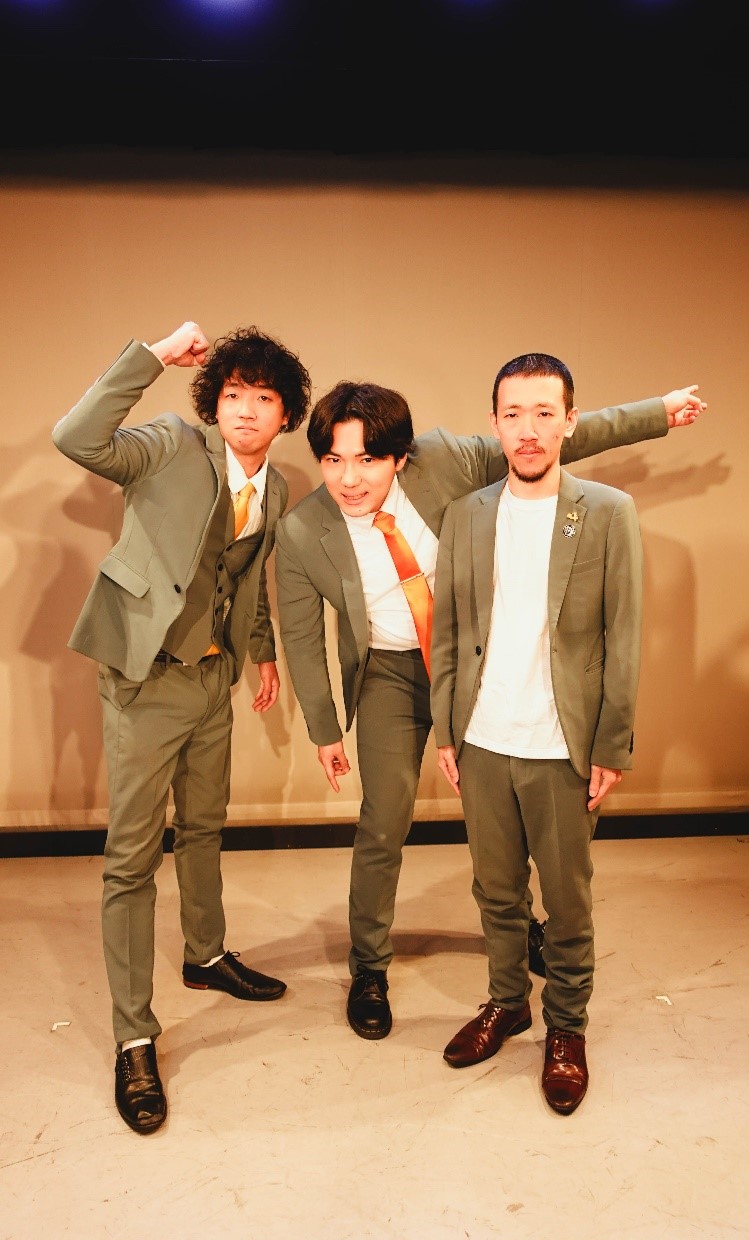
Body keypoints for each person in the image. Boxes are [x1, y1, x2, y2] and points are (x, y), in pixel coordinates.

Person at [275, 372, 704, 1043]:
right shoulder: (303, 530)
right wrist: (324, 728)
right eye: (333, 460)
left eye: (367, 459)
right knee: (382, 820)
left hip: (476, 661)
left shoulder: (444, 459)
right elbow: (302, 637)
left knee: (514, 818)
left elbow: (542, 435)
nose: (349, 480)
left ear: (399, 456)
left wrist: (657, 413)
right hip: (390, 673)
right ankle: (369, 967)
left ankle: (524, 933)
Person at [52, 320, 311, 1135]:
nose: (245, 409)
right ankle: (135, 1036)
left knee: (203, 825)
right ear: (212, 400)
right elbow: (76, 437)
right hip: (145, 679)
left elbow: (249, 576)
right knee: (131, 859)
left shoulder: (275, 487)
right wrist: (155, 357)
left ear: (285, 413)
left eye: (263, 397)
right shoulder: (168, 445)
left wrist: (261, 652)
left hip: (210, 677)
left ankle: (205, 954)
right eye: (233, 393)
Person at [431, 352, 657, 1114]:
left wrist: (611, 743)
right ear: (493, 423)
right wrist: (446, 729)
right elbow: (449, 628)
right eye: (512, 414)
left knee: (565, 900)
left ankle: (565, 1026)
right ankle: (506, 1001)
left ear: (569, 420)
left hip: (562, 745)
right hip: (483, 739)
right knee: (495, 891)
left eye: (542, 413)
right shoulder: (466, 513)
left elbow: (623, 635)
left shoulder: (606, 511)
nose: (526, 430)